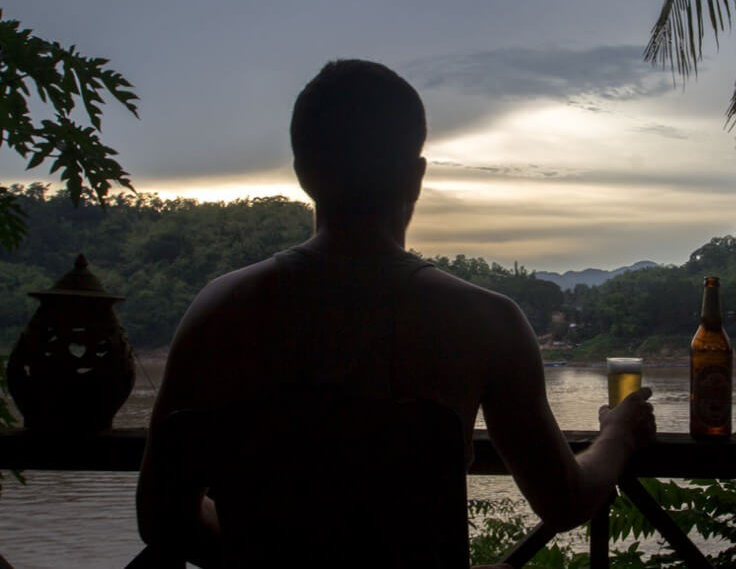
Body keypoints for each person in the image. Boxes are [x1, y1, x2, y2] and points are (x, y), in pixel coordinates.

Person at [136, 59, 656, 567]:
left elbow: (162, 519)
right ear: (416, 176)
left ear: (303, 173)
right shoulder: (485, 323)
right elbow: (565, 500)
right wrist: (619, 432)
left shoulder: (218, 312)